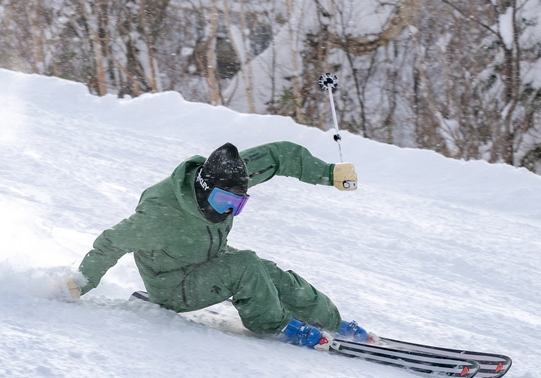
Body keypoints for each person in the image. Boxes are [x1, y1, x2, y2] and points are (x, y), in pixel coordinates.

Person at [65, 141, 372, 348]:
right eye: (224, 201)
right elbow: (110, 243)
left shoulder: (231, 175)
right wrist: (80, 282)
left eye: (238, 205)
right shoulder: (161, 215)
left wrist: (328, 173)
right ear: (203, 187)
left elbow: (280, 156)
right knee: (247, 266)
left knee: (271, 275)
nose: (228, 210)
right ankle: (274, 324)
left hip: (208, 258)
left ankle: (332, 321)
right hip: (174, 285)